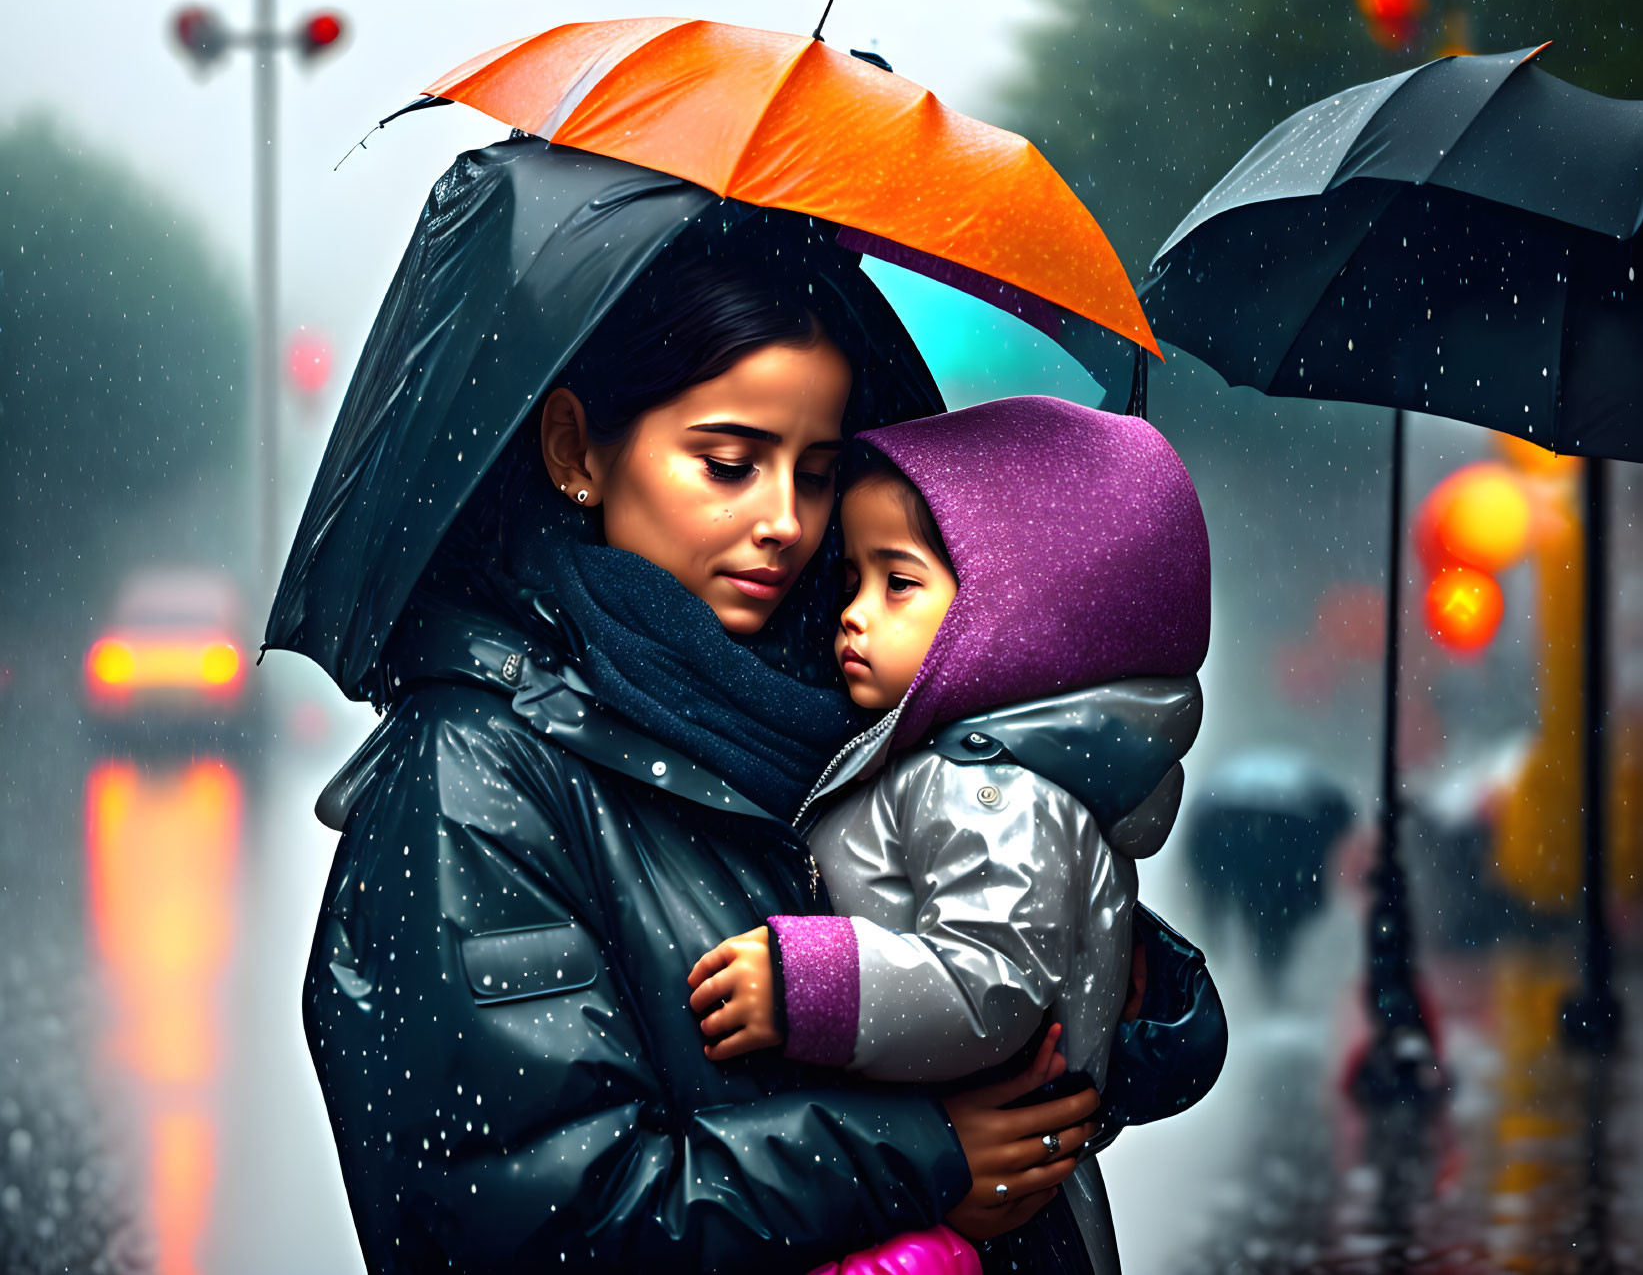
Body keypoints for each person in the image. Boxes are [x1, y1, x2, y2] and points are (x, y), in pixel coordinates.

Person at [295, 154, 1139, 1274]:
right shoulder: (470, 785)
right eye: (730, 464)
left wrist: (1116, 973)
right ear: (575, 453)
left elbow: (1007, 1033)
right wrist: (920, 1157)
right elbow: (531, 1223)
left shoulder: (850, 708)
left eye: (817, 470)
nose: (786, 523)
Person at [686, 397, 1213, 1273]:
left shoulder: (988, 791)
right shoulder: (947, 769)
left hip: (981, 1220)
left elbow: (990, 983)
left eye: (897, 583)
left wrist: (804, 985)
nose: (852, 613)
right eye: (853, 578)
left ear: (1015, 624)